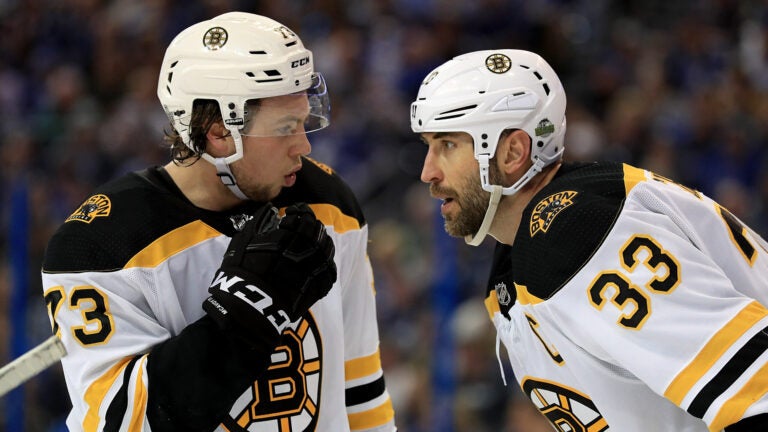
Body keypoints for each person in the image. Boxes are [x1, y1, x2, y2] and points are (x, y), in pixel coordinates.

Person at [41, 12, 395, 432]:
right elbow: (121, 424)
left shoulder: (327, 203)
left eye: (303, 121)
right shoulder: (102, 244)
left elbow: (360, 390)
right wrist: (244, 319)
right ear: (218, 132)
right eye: (285, 127)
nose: (304, 145)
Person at [410, 49, 768, 431]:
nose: (427, 172)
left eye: (448, 145)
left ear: (513, 152)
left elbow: (757, 389)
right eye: (428, 146)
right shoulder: (523, 260)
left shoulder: (576, 234)